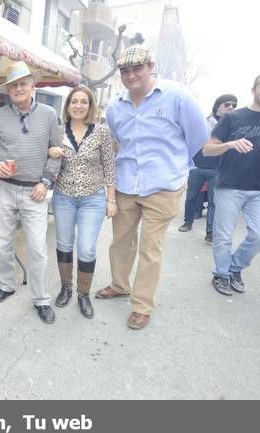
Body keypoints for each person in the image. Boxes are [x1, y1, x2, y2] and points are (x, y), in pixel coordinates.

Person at [94, 45, 209, 330]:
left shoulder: (177, 96)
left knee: (150, 247)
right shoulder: (116, 107)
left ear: (151, 66)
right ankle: (120, 284)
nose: (131, 75)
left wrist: (176, 168)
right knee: (120, 241)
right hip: (126, 184)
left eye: (138, 68)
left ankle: (142, 304)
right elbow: (118, 142)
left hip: (163, 186)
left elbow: (198, 138)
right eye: (125, 71)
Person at [0, 61, 63, 324]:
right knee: (2, 242)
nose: (18, 88)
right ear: (8, 90)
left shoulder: (49, 114)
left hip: (36, 190)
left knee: (38, 247)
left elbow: (57, 153)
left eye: (22, 84)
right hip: (5, 188)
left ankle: (41, 298)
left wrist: (46, 181)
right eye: (13, 85)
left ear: (33, 86)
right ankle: (5, 284)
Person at [48, 85, 116, 319]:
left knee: (86, 247)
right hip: (64, 196)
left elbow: (109, 166)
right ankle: (66, 288)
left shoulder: (101, 132)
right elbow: (47, 156)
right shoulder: (57, 131)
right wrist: (51, 152)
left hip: (93, 198)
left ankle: (83, 293)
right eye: (74, 101)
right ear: (68, 105)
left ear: (90, 106)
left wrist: (111, 199)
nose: (78, 106)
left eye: (83, 102)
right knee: (64, 243)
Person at [203, 75, 260, 296]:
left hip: (257, 190)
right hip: (230, 185)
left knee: (257, 235)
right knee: (224, 235)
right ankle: (222, 274)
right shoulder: (233, 118)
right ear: (253, 89)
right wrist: (230, 144)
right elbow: (208, 149)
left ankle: (234, 268)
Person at [179, 94, 238, 243]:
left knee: (214, 201)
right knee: (191, 197)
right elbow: (191, 141)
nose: (231, 107)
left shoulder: (233, 126)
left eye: (233, 105)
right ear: (218, 105)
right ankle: (188, 222)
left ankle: (210, 231)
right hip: (198, 166)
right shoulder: (204, 122)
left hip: (218, 169)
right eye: (227, 104)